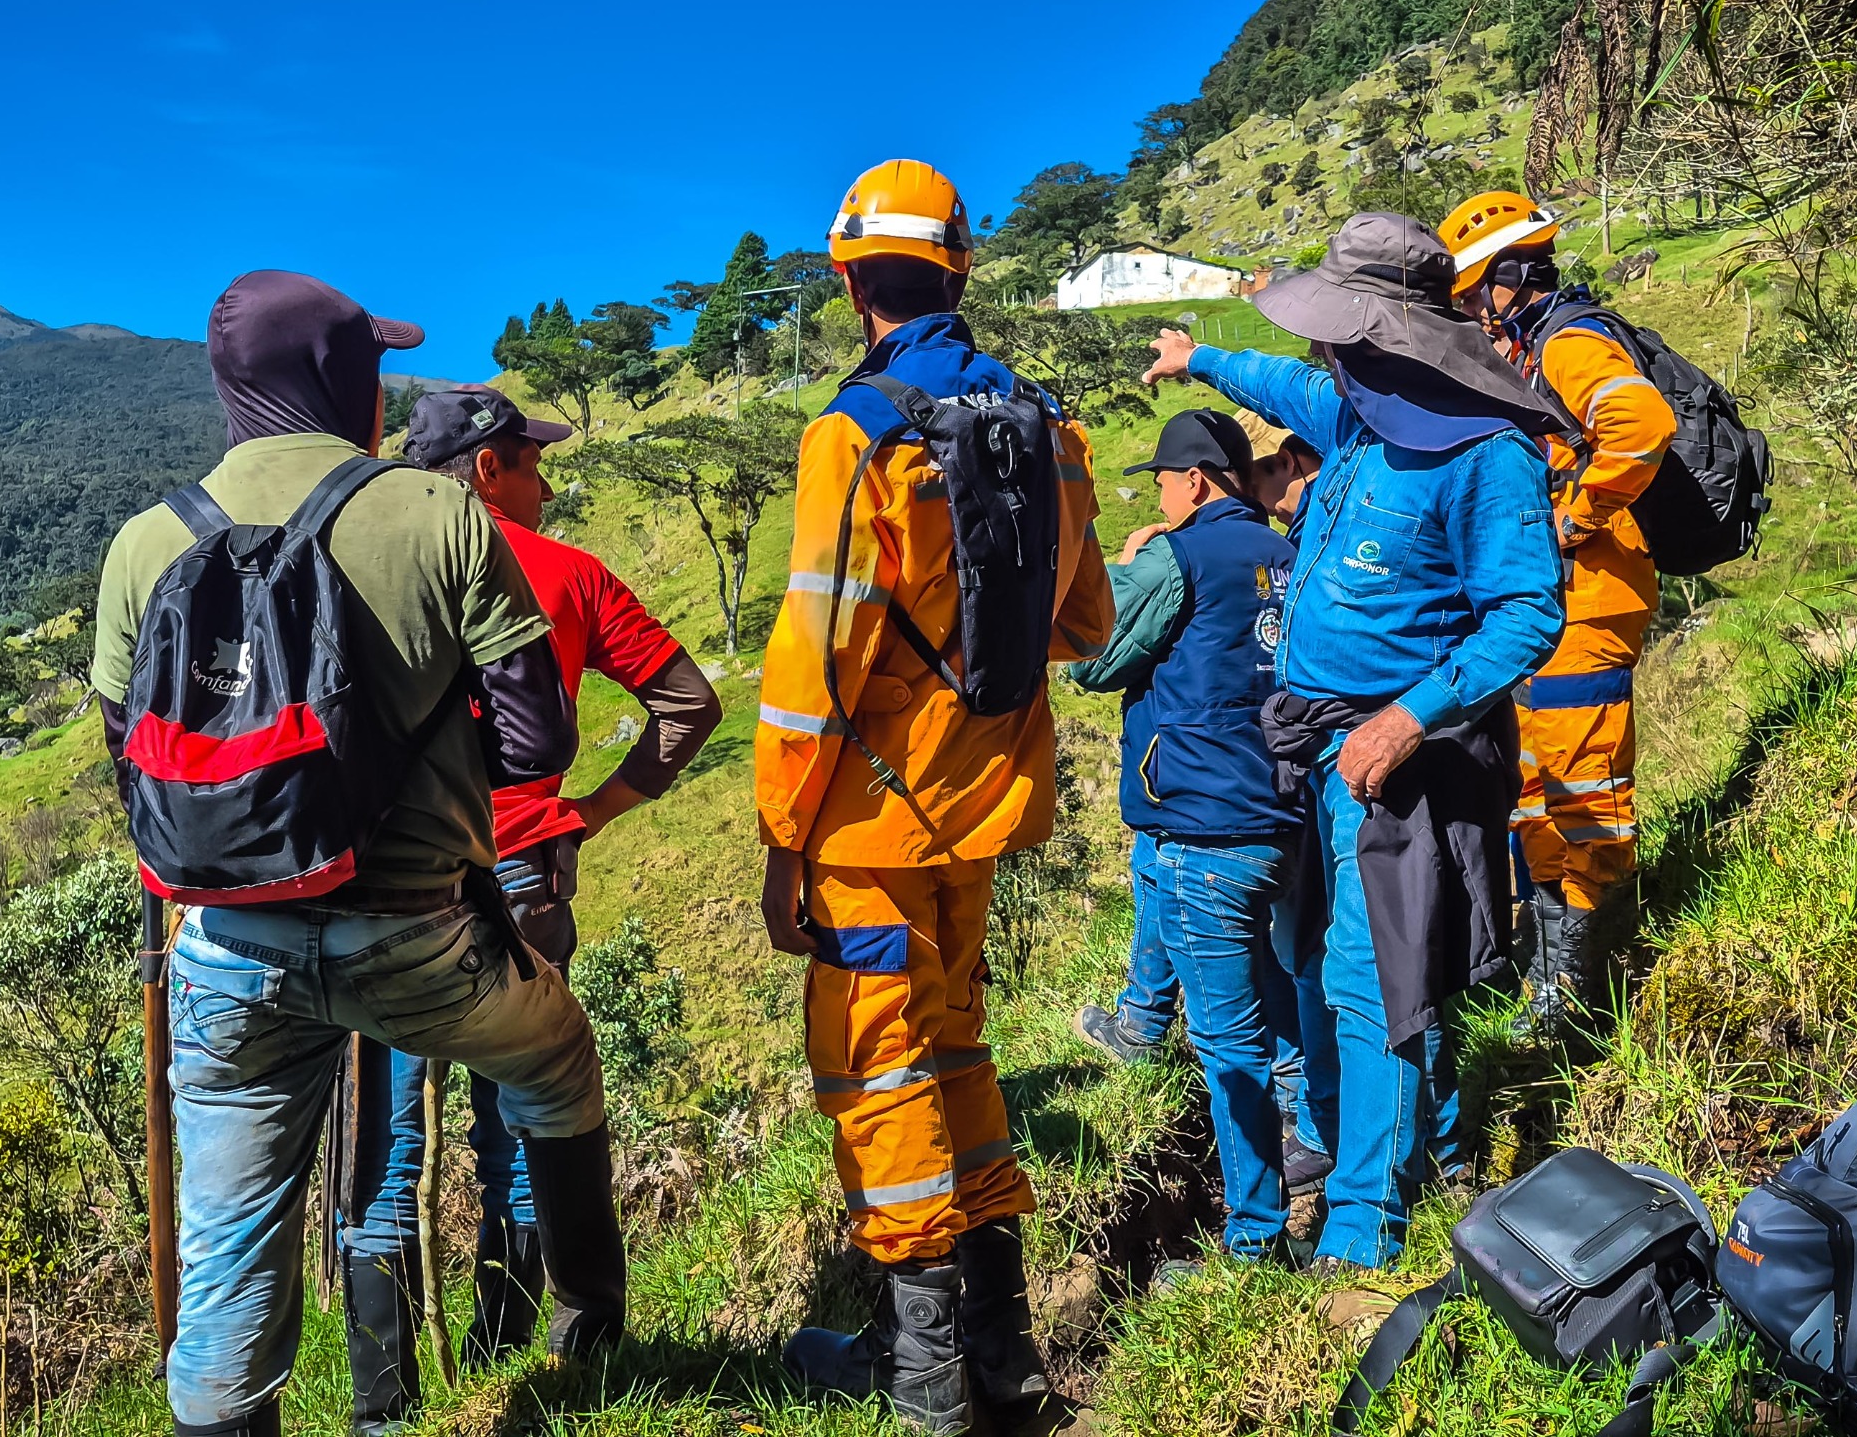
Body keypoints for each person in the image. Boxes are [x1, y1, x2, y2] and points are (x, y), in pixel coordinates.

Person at [88, 271, 626, 1437]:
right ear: (347, 383)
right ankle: (590, 1334)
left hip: (226, 948)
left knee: (229, 1256)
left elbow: (128, 759)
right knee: (555, 1058)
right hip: (418, 931)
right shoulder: (437, 514)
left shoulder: (145, 541)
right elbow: (539, 742)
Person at [756, 159, 1112, 1432]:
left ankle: (922, 1380)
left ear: (850, 278)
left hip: (866, 825)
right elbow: (1083, 623)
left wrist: (782, 836)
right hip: (985, 806)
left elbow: (816, 664)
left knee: (878, 1068)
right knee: (957, 1046)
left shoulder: (854, 433)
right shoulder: (1051, 429)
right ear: (959, 269)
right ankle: (1003, 1351)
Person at [1142, 214, 1567, 1271]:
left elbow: (1527, 612)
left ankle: (1363, 1228)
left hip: (1398, 761)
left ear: (1388, 337)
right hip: (1313, 751)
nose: (1321, 351)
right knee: (1329, 961)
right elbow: (1280, 386)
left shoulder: (1482, 453)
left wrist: (1408, 715)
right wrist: (1200, 359)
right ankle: (1438, 1150)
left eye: (1336, 332)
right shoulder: (1358, 415)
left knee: (1368, 976)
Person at [336, 385, 723, 1414]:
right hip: (525, 878)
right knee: (523, 1115)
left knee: (388, 1145)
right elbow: (689, 705)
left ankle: (385, 1407)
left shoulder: (364, 572)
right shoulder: (567, 572)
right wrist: (588, 811)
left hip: (390, 884)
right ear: (486, 469)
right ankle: (538, 1351)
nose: (545, 487)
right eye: (532, 463)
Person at [1066, 408, 1329, 1269]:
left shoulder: (1178, 558)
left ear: (1195, 481)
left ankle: (1255, 1245)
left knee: (1228, 1047)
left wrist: (1134, 564)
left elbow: (1092, 658)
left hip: (1207, 821)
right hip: (1286, 814)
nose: (1161, 498)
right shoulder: (1289, 553)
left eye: (1164, 483)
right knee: (1279, 988)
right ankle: (1304, 1133)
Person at [1438, 193, 1676, 1034]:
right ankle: (1552, 970)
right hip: (1555, 605)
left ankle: (1587, 982)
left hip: (1591, 597)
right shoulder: (1531, 352)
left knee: (1583, 782)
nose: (1472, 310)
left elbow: (1641, 422)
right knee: (1538, 786)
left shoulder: (1570, 342)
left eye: (1475, 292)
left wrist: (1573, 519)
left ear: (1511, 276)